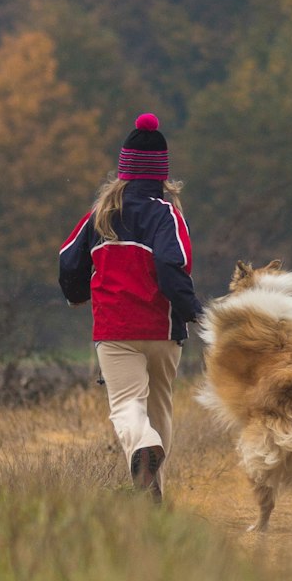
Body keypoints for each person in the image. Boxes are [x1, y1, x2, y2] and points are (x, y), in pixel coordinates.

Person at [58, 113, 203, 501]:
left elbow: (69, 261)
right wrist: (194, 311)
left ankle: (142, 452)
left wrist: (76, 295)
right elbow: (171, 267)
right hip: (162, 329)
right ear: (162, 175)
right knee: (160, 408)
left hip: (115, 330)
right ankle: (153, 489)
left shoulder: (99, 216)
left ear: (122, 170)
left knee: (127, 406)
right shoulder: (167, 215)